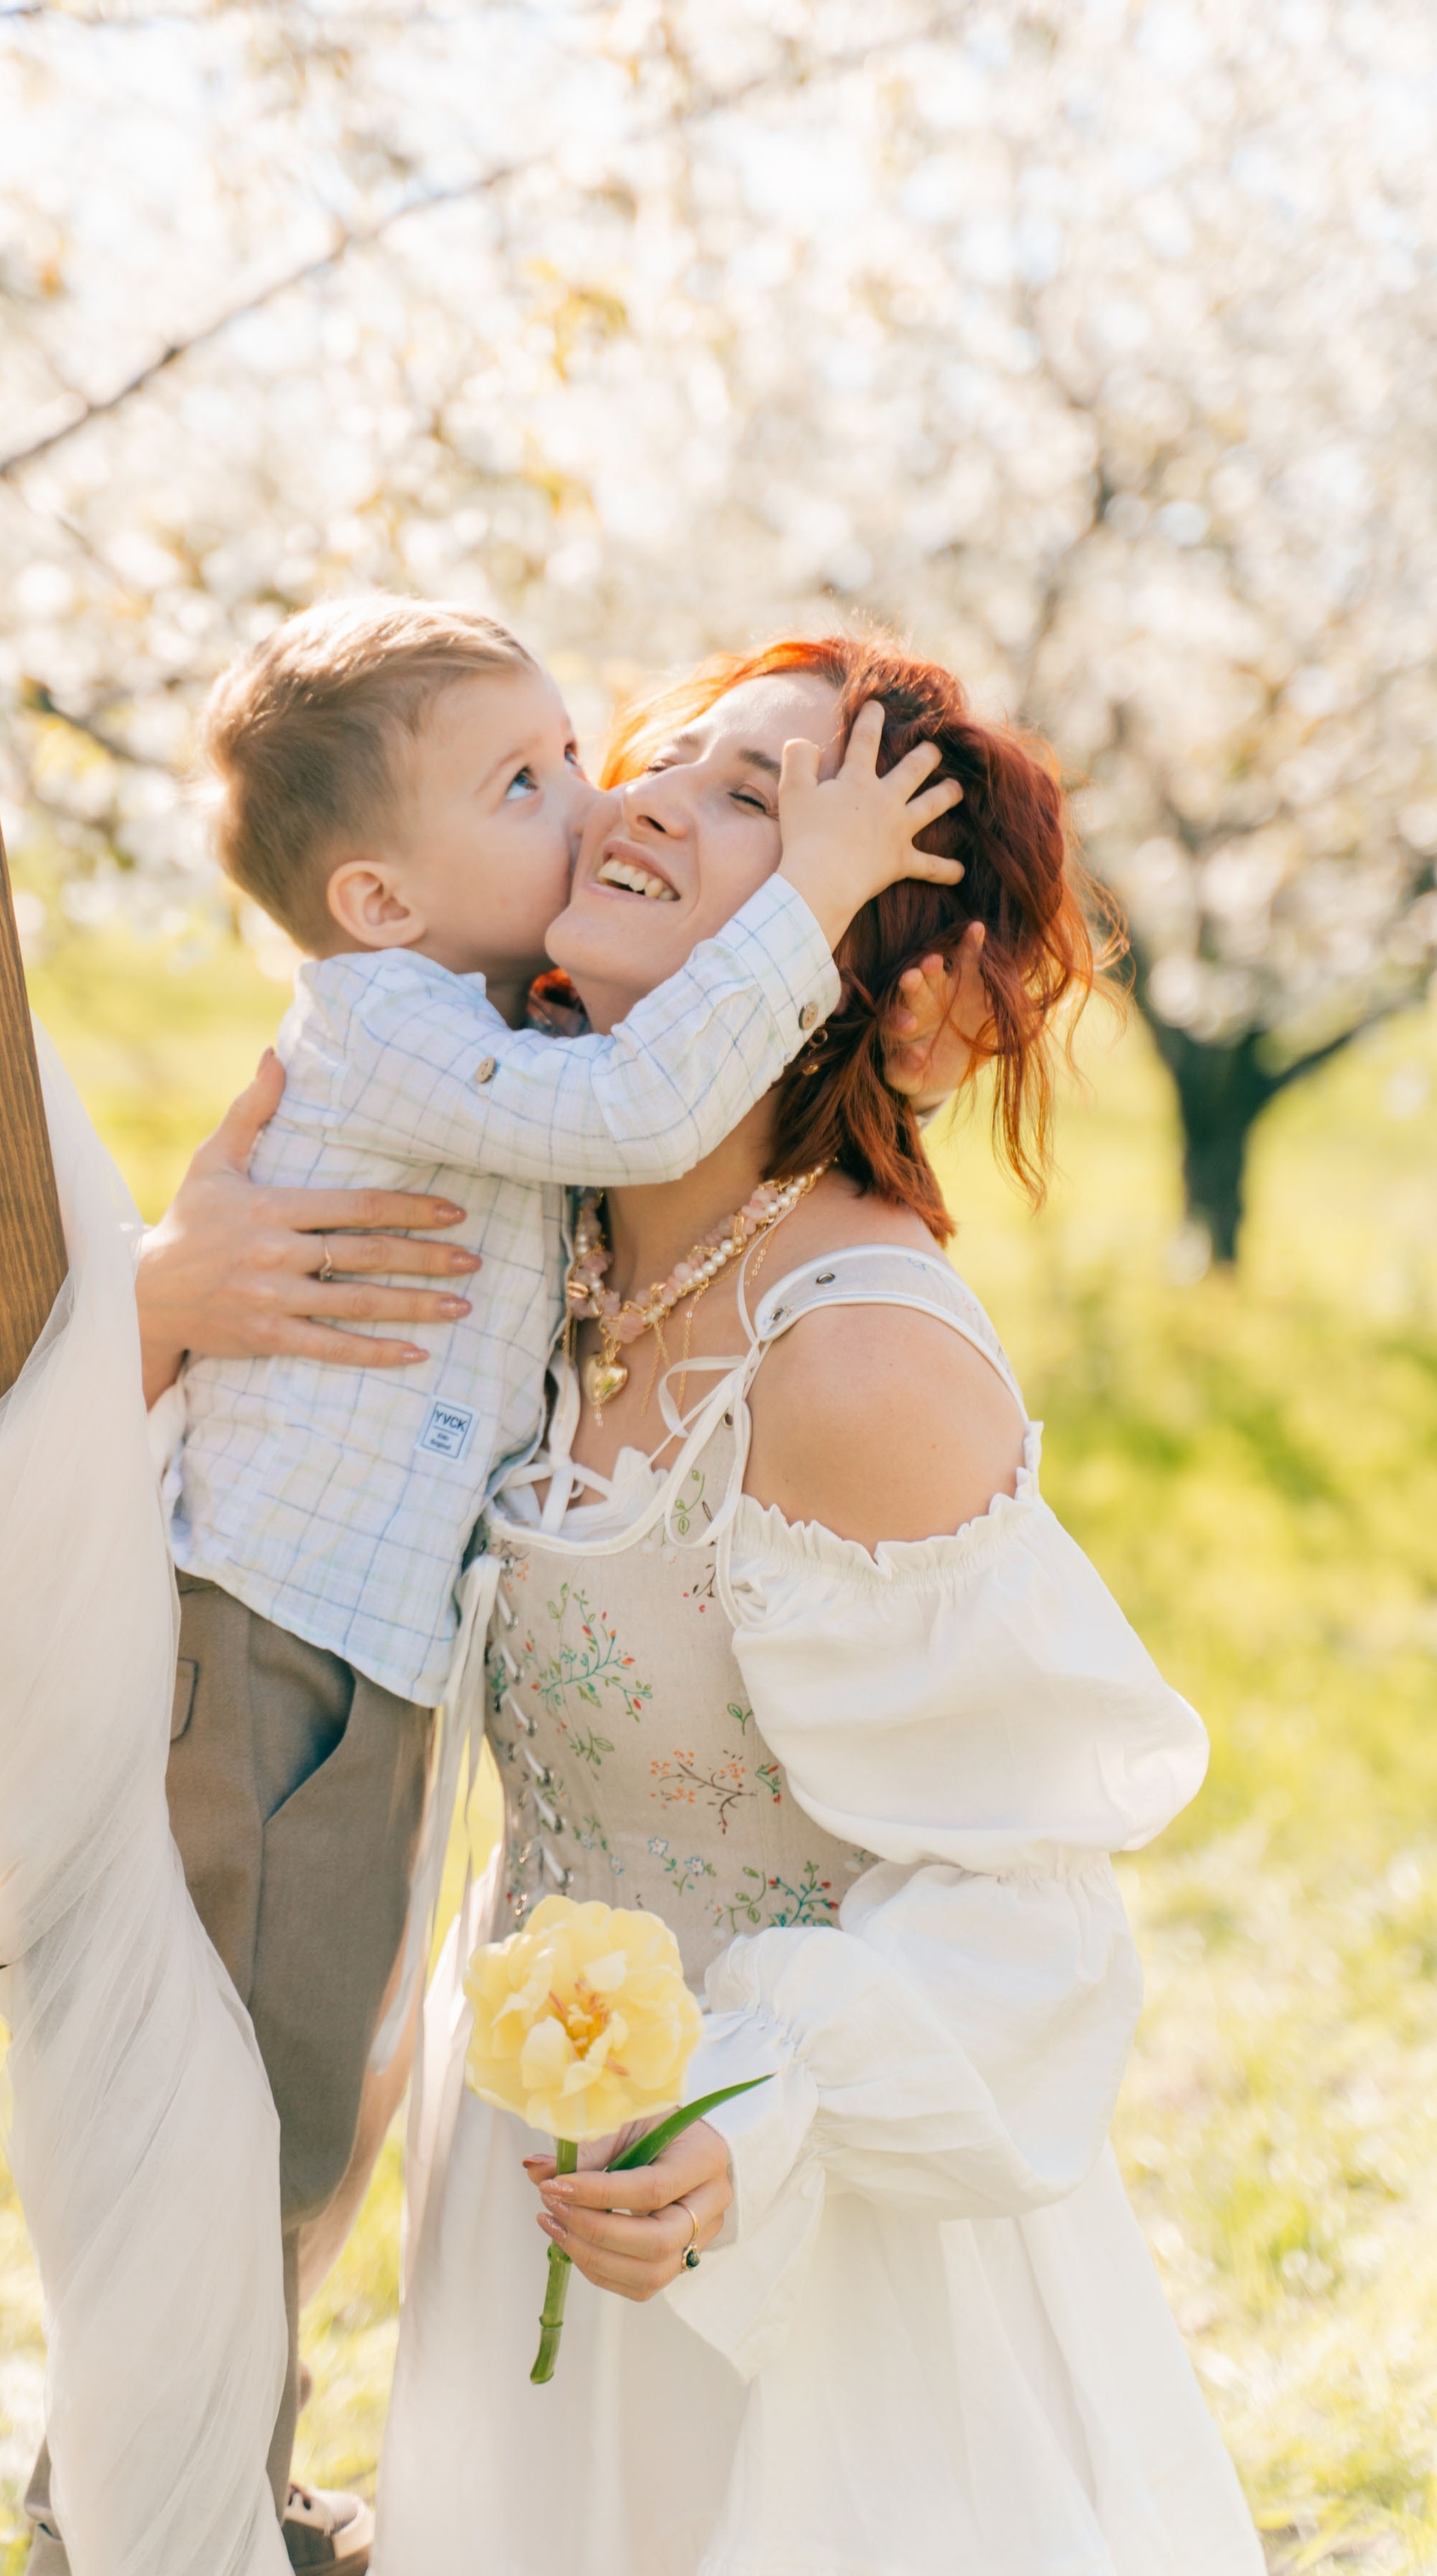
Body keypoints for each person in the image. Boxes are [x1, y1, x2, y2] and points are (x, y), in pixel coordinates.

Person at [26, 596, 967, 2576]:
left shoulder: (478, 1030)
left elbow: (654, 1137)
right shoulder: (390, 1027)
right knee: (240, 2121)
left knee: (306, 2102)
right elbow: (631, 1112)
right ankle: (139, 2511)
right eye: (534, 780)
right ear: (376, 893)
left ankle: (209, 2487)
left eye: (584, 753)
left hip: (356, 1675)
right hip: (272, 1648)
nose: (596, 800)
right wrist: (804, 894)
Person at [367, 632, 1264, 2576]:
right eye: (672, 757)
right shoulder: (542, 1247)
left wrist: (752, 2118)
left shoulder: (851, 1369)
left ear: (902, 993)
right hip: (525, 2139)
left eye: (764, 797)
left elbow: (1028, 1903)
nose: (665, 797)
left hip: (789, 2229)